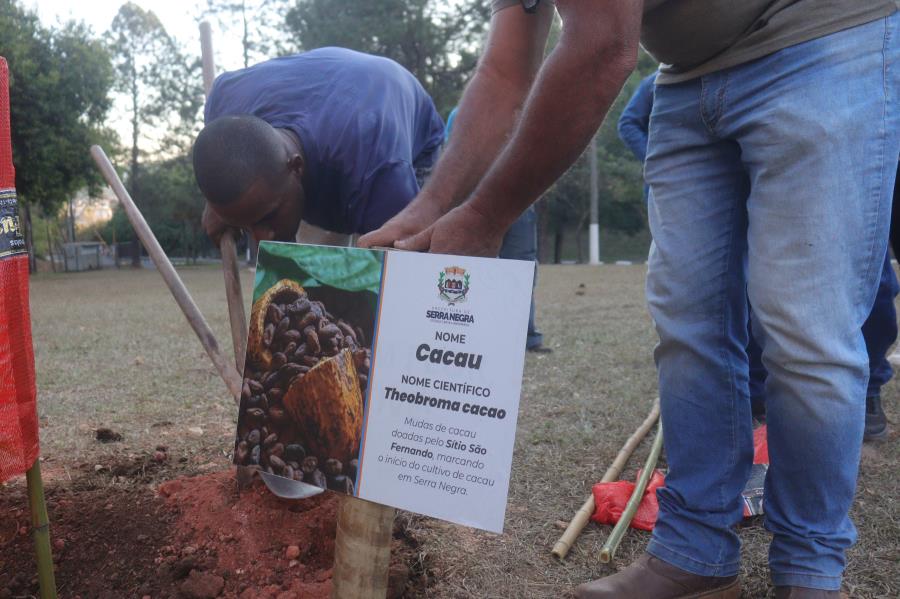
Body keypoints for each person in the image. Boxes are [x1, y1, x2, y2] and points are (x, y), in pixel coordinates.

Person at [360, 1, 900, 597]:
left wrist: (487, 215)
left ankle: (808, 570)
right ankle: (695, 554)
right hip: (686, 77)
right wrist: (429, 208)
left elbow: (600, 47)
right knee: (688, 331)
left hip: (820, 45)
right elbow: (502, 75)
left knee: (806, 332)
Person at [618, 73, 898, 441]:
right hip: (736, 183)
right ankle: (751, 394)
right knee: (736, 290)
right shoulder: (662, 79)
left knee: (870, 283)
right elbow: (629, 122)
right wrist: (663, 162)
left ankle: (867, 386)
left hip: (843, 153)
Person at [193, 48, 445, 246]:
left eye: (266, 218)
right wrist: (220, 206)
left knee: (380, 268)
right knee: (311, 270)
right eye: (249, 226)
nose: (261, 238)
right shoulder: (224, 101)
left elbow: (409, 274)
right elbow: (224, 163)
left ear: (297, 167)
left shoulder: (380, 173)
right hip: (331, 99)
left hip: (403, 129)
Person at [446, 106, 550, 353]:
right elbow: (452, 158)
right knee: (472, 268)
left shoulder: (527, 112)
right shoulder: (461, 114)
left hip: (520, 200)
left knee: (521, 268)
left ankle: (526, 338)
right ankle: (469, 334)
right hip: (474, 200)